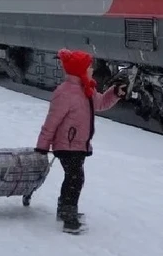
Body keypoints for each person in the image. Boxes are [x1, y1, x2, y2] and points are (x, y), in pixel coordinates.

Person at [35, 49, 125, 234]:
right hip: (66, 144)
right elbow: (51, 122)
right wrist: (42, 147)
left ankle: (64, 208)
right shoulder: (65, 93)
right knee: (75, 178)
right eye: (89, 66)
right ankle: (68, 216)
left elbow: (100, 104)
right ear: (80, 70)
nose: (92, 69)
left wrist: (115, 92)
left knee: (73, 177)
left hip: (79, 144)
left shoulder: (87, 89)